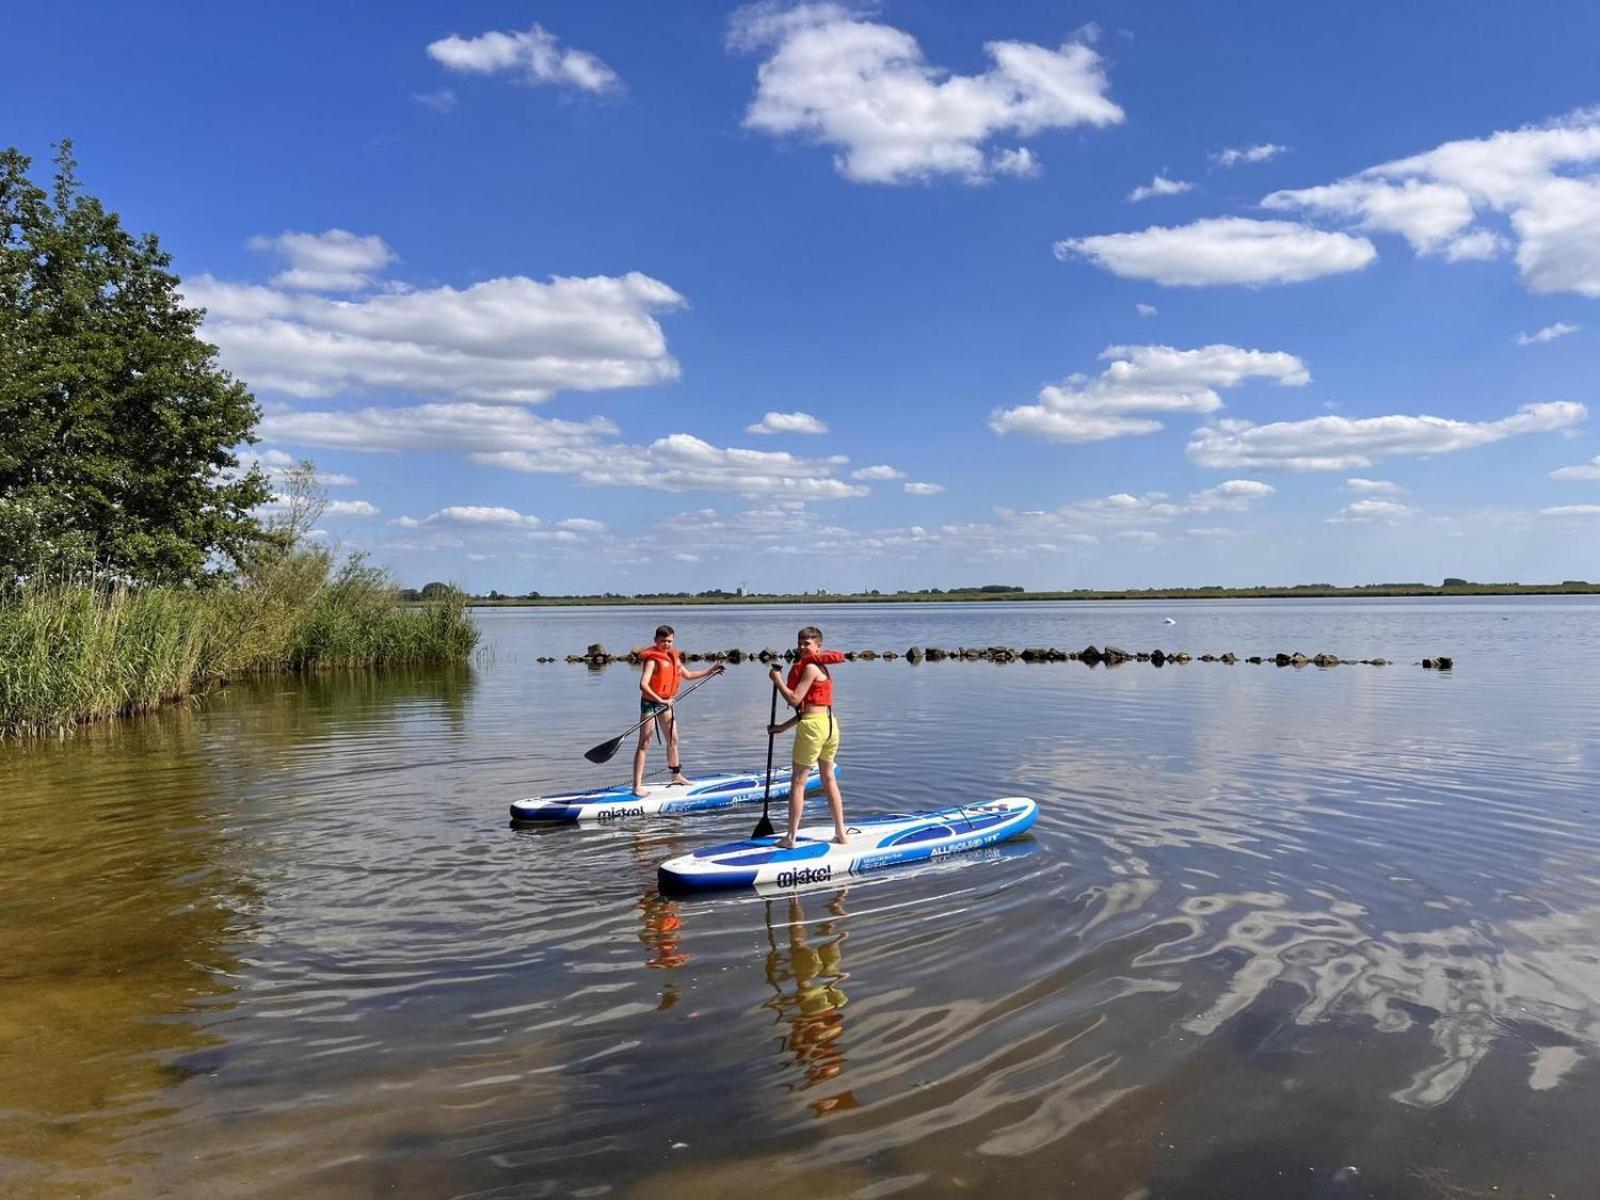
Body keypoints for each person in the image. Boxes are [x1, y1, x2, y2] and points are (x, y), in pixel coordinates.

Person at [767, 625, 847, 847]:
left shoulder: (811, 667)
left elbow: (794, 699)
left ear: (819, 646)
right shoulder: (822, 667)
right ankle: (841, 833)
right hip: (829, 725)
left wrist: (777, 680)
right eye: (800, 643)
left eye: (807, 644)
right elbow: (809, 708)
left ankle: (790, 837)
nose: (802, 647)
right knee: (828, 778)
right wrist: (782, 727)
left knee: (798, 782)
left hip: (814, 727)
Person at [633, 625, 724, 797]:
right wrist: (661, 700)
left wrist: (710, 671)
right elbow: (643, 684)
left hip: (666, 704)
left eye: (669, 641)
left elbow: (688, 675)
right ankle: (637, 785)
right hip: (650, 704)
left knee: (673, 739)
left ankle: (676, 775)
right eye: (662, 641)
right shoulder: (652, 660)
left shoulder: (673, 657)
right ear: (655, 640)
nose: (666, 645)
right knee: (644, 743)